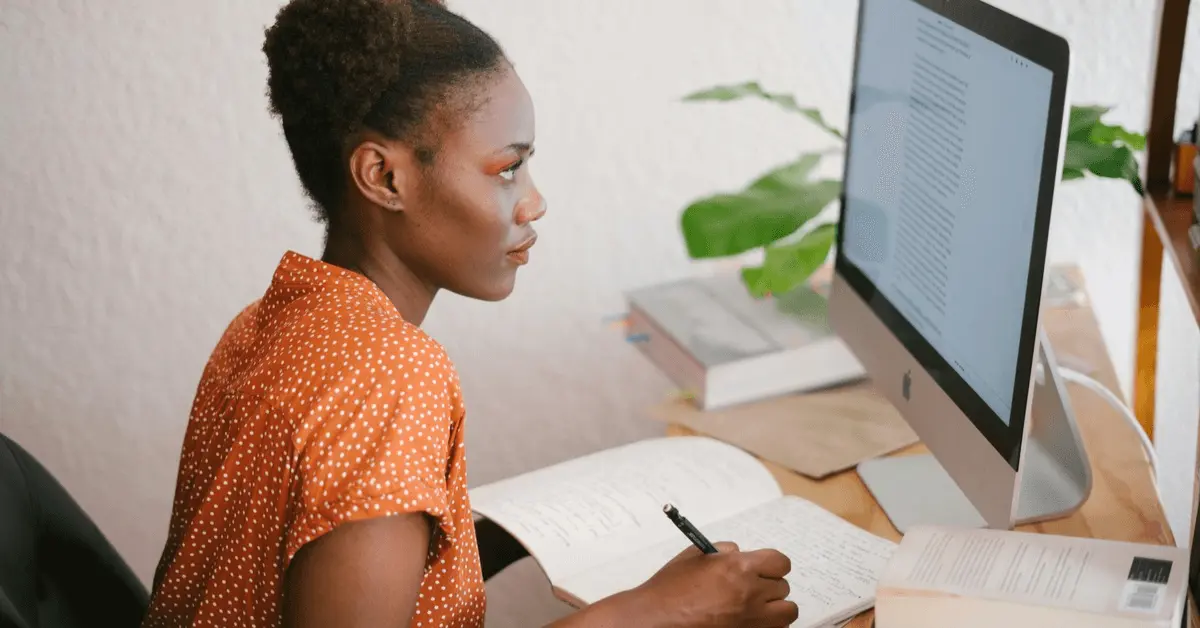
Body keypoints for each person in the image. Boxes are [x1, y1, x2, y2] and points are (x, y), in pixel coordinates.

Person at [141, 1, 801, 627]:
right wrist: (658, 612)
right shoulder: (391, 378)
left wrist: (479, 541)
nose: (533, 202)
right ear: (385, 177)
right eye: (507, 169)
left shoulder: (272, 319)